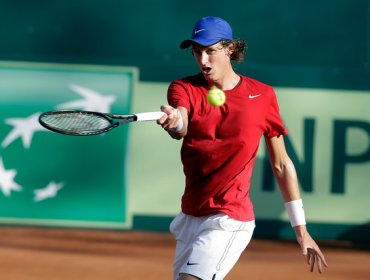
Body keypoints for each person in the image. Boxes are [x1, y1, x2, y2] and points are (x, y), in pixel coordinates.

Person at [157, 16, 328, 280]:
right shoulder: (183, 88)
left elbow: (281, 164)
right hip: (191, 215)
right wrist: (174, 123)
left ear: (230, 49)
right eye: (197, 52)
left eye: (210, 51)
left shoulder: (263, 96)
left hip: (230, 218)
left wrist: (300, 228)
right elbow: (181, 124)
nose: (203, 60)